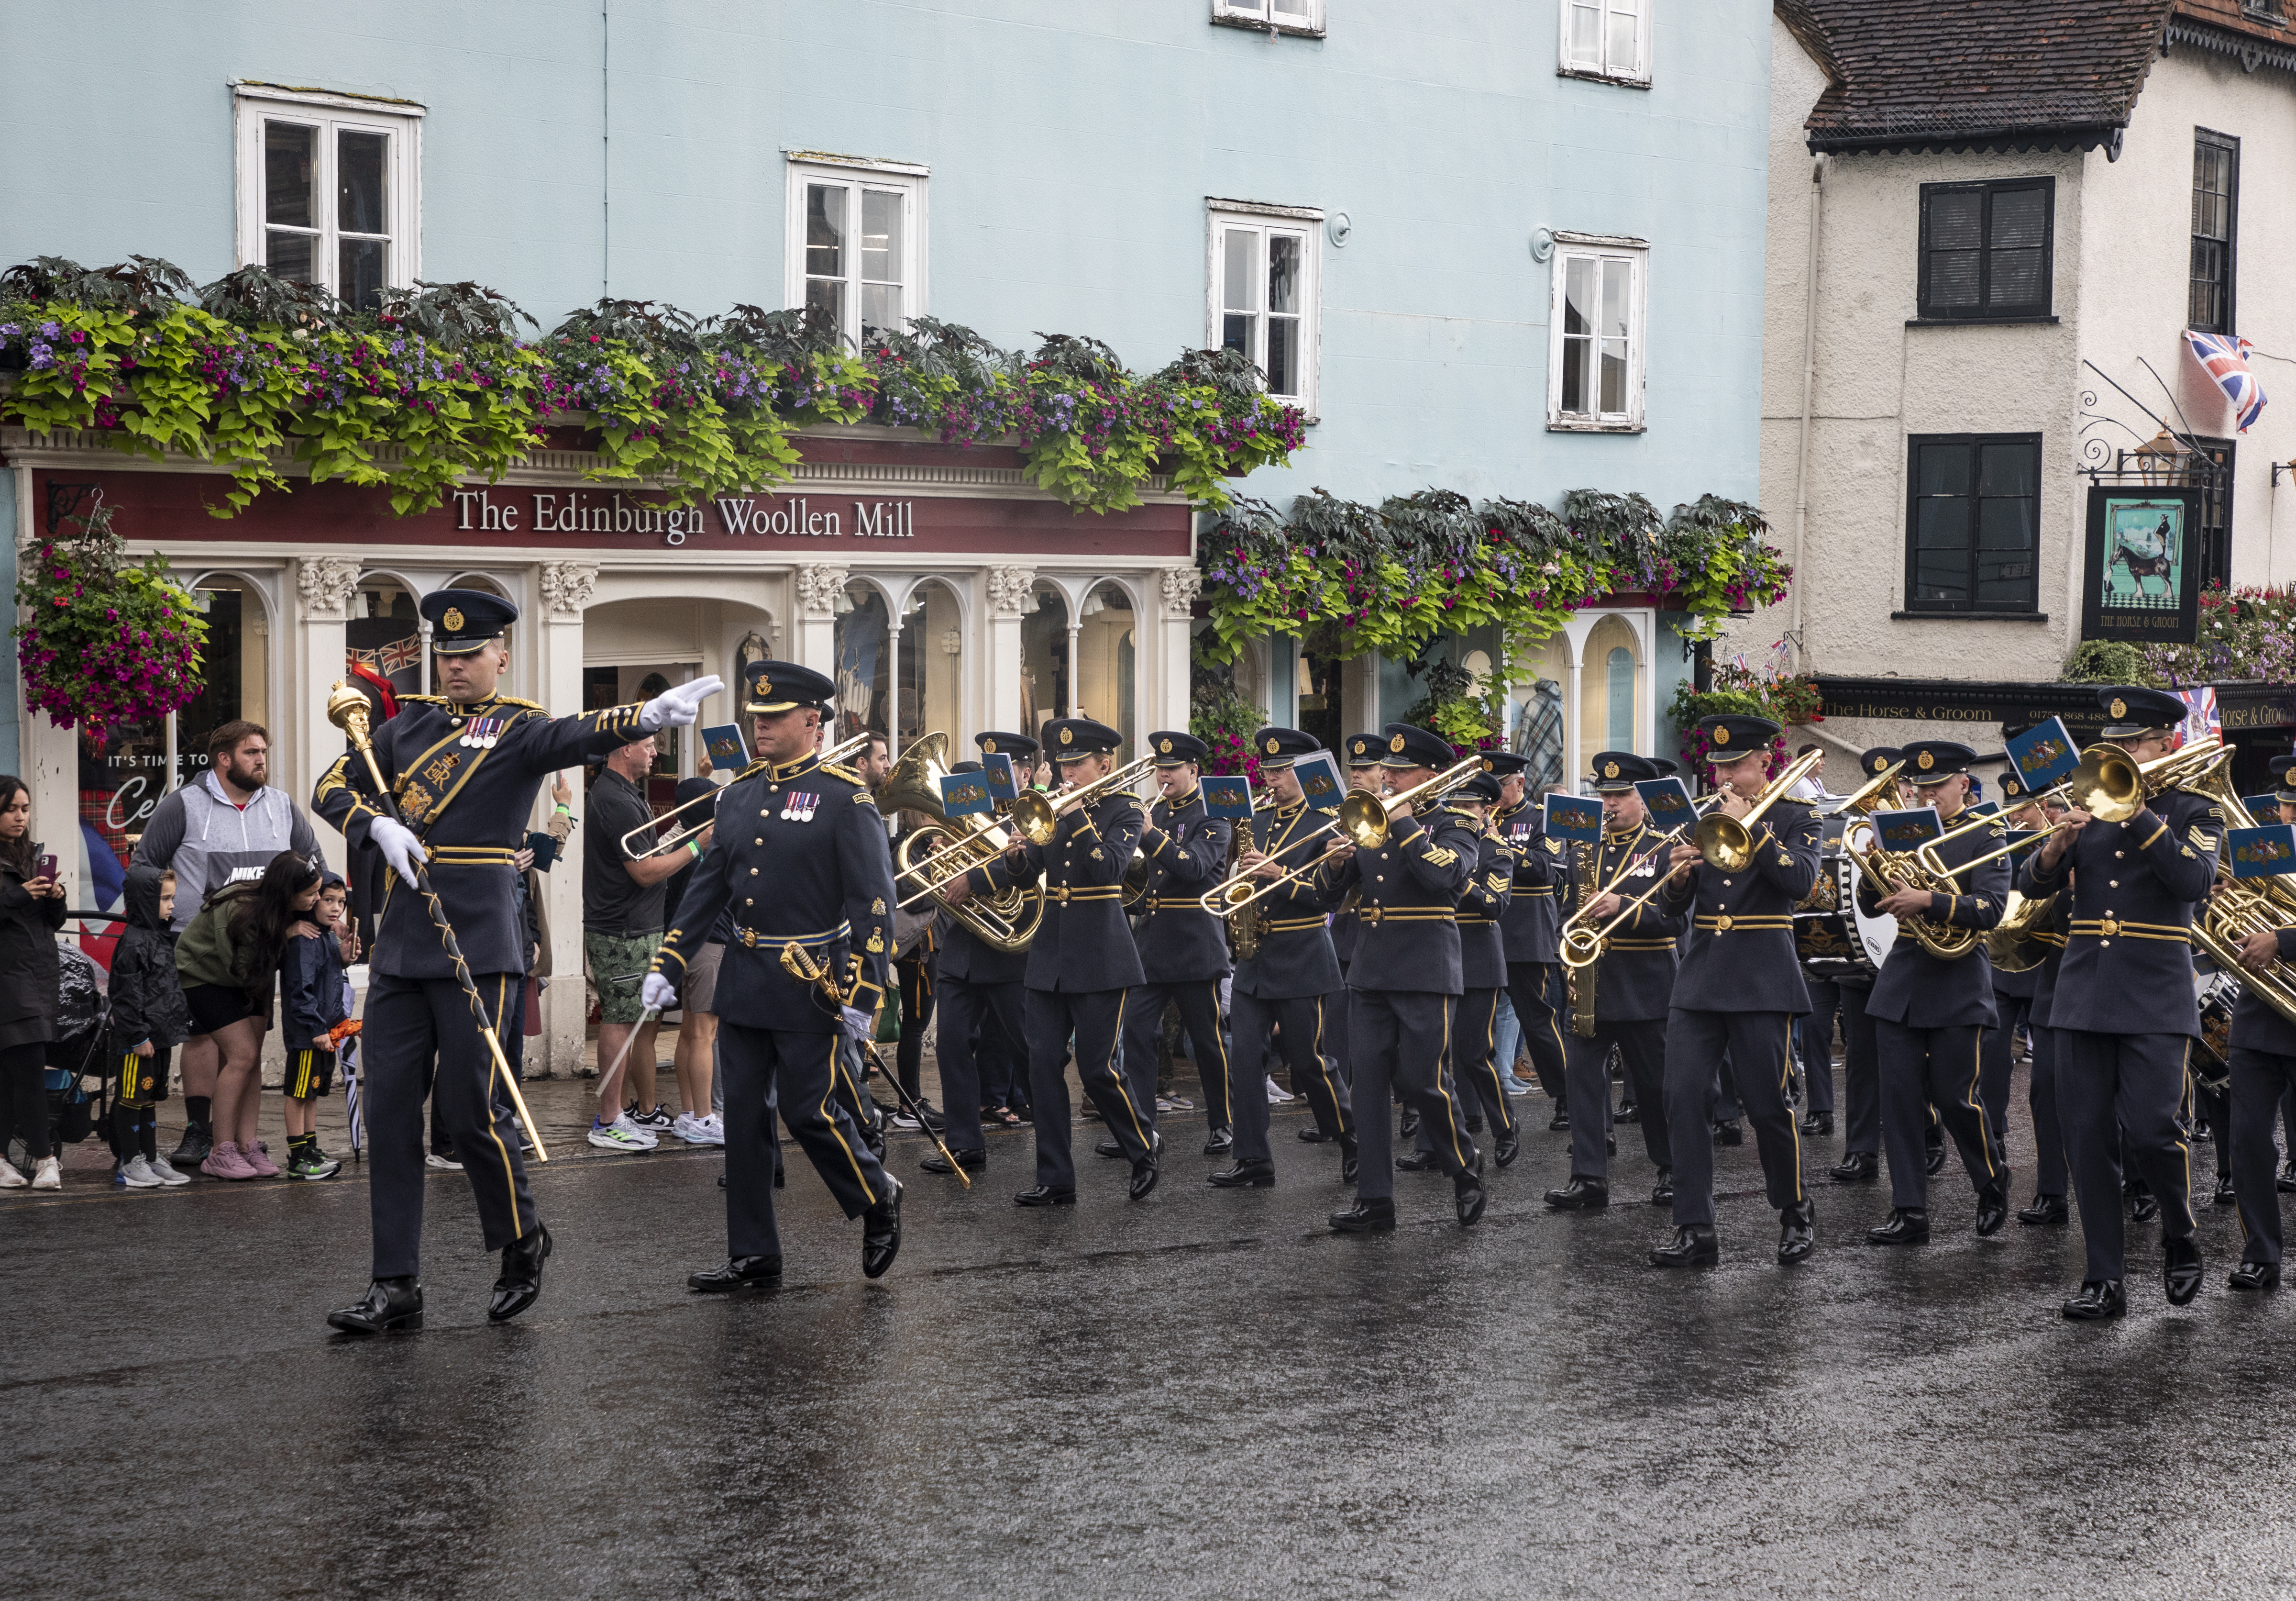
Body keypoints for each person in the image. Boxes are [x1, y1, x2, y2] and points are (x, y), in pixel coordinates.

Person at [316, 589, 718, 1332]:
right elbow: (329, 788)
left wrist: (645, 717)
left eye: (470, 654)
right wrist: (375, 826)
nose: (456, 665)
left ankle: (520, 1238)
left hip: (482, 942)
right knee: (391, 1110)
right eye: (447, 652)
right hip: (407, 940)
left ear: (502, 655)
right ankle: (395, 1281)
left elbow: (577, 732)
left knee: (474, 1112)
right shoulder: (406, 727)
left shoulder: (521, 729)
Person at [645, 658, 902, 1288]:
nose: (759, 727)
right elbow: (708, 889)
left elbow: (872, 903)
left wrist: (865, 993)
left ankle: (877, 1195)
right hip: (746, 977)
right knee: (746, 1122)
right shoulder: (737, 796)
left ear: (812, 721)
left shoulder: (847, 798)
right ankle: (754, 1254)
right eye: (755, 716)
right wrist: (669, 961)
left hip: (811, 981)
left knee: (809, 1109)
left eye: (774, 716)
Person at [2019, 685, 2221, 1319]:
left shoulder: (2196, 810)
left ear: (2167, 743)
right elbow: (2030, 889)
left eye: (2134, 742)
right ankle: (2103, 1276)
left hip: (2156, 992)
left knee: (2156, 1129)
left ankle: (2181, 1234)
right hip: (2083, 992)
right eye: (2116, 743)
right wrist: (2052, 849)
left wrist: (2138, 812)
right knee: (2086, 1138)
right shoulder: (2089, 808)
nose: (2122, 752)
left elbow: (2194, 881)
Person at [946, 717, 1153, 1205]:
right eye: (1063, 765)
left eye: (1077, 764)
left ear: (1105, 764)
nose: (1068, 773)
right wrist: (1017, 856)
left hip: (1102, 956)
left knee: (1098, 1068)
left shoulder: (1126, 810)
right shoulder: (1051, 811)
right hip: (1050, 956)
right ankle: (1056, 1177)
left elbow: (1110, 869)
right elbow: (1028, 875)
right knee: (1042, 1067)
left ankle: (1143, 1148)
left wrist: (1078, 816)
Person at [1652, 714, 1823, 1267]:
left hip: (1762, 978)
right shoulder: (1698, 821)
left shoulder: (1797, 818)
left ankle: (1795, 1209)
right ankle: (1695, 1226)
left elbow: (1800, 882)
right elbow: (1671, 909)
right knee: (1682, 1098)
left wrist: (1755, 827)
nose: (1724, 775)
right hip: (1700, 978)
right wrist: (1678, 881)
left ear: (1762, 764)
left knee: (1769, 1104)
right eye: (1718, 766)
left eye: (1735, 765)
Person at [1318, 723, 1486, 1234]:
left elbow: (1446, 876)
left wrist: (1407, 824)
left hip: (1425, 969)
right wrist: (1333, 862)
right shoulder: (1371, 823)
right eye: (1385, 770)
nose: (1386, 778)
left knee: (1424, 1079)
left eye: (1398, 770)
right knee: (1367, 1084)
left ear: (1429, 775)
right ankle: (1375, 1199)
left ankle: (1464, 1167)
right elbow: (1329, 895)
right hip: (1371, 970)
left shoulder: (1457, 822)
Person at [132, 720, 319, 1169]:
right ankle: (200, 1132)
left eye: (263, 753)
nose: (261, 761)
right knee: (203, 1038)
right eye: (252, 753)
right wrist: (155, 931)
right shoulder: (183, 806)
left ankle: (241, 1140)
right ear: (224, 759)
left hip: (259, 950)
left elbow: (313, 866)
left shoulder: (281, 807)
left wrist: (319, 918)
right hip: (196, 948)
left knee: (248, 1050)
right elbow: (144, 867)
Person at [1855, 741, 2012, 1245]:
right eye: (1918, 787)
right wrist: (1872, 868)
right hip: (1902, 980)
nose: (1925, 795)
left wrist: (1930, 898)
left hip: (1958, 979)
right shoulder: (1903, 831)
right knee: (1898, 1099)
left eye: (1936, 787)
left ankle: (1991, 1177)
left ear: (1962, 785)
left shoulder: (1986, 834)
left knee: (1954, 1096)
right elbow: (1874, 903)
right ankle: (1909, 1209)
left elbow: (1990, 909)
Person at [1545, 751, 1681, 1212]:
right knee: (1583, 1082)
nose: (1610, 804)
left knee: (1655, 1086)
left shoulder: (1665, 846)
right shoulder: (1584, 848)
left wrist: (1626, 907)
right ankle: (1588, 1177)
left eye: (1621, 795)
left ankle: (1671, 1170)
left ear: (1644, 799)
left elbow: (1676, 922)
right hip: (1592, 983)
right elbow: (1567, 916)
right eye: (1604, 795)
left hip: (1647, 985)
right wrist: (1569, 948)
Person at [1220, 727, 1354, 1188]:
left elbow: (1326, 899)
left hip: (1302, 957)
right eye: (1268, 771)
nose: (1271, 780)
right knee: (1243, 1061)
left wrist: (1278, 873)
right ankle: (1253, 1157)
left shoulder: (1325, 824)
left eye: (1280, 772)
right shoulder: (1256, 821)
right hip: (1255, 960)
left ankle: (1352, 1139)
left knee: (1309, 1063)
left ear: (1303, 773)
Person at [919, 739, 1039, 1177]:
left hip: (1008, 957)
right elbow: (951, 878)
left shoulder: (1032, 812)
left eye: (1005, 768)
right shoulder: (967, 812)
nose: (995, 779)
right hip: (962, 955)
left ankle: (1052, 1139)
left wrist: (974, 877)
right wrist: (942, 858)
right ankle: (964, 1144)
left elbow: (1029, 874)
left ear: (1024, 772)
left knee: (1027, 1050)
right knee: (952, 1047)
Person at [1114, 731, 1234, 1159]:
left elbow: (1195, 866)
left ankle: (1224, 1123)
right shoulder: (1156, 810)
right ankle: (1142, 1128)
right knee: (1137, 1033)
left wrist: (1148, 836)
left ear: (1193, 771)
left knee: (1207, 1041)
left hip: (1195, 942)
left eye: (1172, 769)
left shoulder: (1213, 815)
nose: (1163, 776)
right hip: (1153, 940)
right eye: (1159, 769)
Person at [175, 850, 322, 1180]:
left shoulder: (288, 908)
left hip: (253, 973)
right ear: (287, 893)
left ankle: (247, 1144)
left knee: (252, 1059)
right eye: (311, 894)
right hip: (206, 977)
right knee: (241, 1056)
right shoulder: (240, 910)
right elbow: (243, 971)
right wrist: (284, 937)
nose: (316, 899)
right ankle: (221, 1151)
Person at [583, 731, 689, 1150]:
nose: (655, 752)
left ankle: (617, 1114)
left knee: (628, 1020)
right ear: (625, 748)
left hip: (632, 925)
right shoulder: (616, 798)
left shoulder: (620, 793)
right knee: (621, 1021)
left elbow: (642, 855)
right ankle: (609, 1120)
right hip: (623, 928)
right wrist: (697, 847)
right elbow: (643, 872)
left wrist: (679, 838)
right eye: (647, 745)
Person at [2224, 756, 2296, 1290]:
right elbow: (2234, 918)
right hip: (2259, 1014)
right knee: (2248, 1138)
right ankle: (2261, 1252)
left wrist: (2284, 940)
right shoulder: (2262, 852)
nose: (2290, 812)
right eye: (2287, 803)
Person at [1828, 745, 1901, 1187]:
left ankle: (1929, 1136)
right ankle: (1861, 1150)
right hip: (1865, 962)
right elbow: (1859, 905)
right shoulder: (1860, 838)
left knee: (1909, 1060)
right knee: (1861, 1059)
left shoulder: (1921, 831)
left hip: (1908, 965)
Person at [1436, 772, 1518, 1162]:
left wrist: (1461, 878)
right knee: (1436, 1053)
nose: (1461, 813)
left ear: (1488, 810)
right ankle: (1436, 1142)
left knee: (1474, 1052)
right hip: (1439, 952)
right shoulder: (1441, 839)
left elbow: (1494, 904)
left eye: (1470, 807)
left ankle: (1505, 1126)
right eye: (1457, 805)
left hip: (1478, 956)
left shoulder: (1497, 851)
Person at [1490, 751, 1570, 1129]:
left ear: (1519, 784)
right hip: (1484, 933)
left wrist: (1497, 846)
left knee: (1537, 1020)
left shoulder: (1541, 819)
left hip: (1525, 934)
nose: (1493, 794)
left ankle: (1568, 1095)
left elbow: (1546, 868)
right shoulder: (1479, 817)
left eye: (1500, 786)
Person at [105, 863, 194, 1188]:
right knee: (131, 1098)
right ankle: (131, 1162)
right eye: (165, 899)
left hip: (159, 1037)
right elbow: (126, 995)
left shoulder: (159, 937)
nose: (172, 906)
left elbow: (165, 988)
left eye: (172, 898)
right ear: (145, 901)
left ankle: (151, 1156)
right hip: (138, 1039)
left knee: (148, 1098)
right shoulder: (133, 942)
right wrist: (138, 1034)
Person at [0, 777, 68, 1190]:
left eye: (25, 809)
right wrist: (21, 895)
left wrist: (55, 897)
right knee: (28, 1070)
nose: (20, 817)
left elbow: (52, 923)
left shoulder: (31, 856)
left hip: (38, 972)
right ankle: (46, 1160)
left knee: (10, 1076)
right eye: (11, 809)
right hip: (8, 978)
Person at [659, 774, 726, 1146]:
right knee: (704, 1034)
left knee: (688, 1033)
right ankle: (703, 1117)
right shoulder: (705, 844)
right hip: (711, 940)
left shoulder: (680, 841)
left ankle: (688, 1113)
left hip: (685, 943)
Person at [278, 871, 353, 1180]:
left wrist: (344, 958)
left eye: (342, 902)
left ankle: (310, 1148)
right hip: (308, 1033)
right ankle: (298, 1157)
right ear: (313, 900)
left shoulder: (325, 937)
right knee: (298, 1095)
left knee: (311, 1093)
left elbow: (329, 980)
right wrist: (317, 1029)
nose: (336, 908)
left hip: (323, 1031)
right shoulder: (305, 940)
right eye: (328, 900)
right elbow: (301, 989)